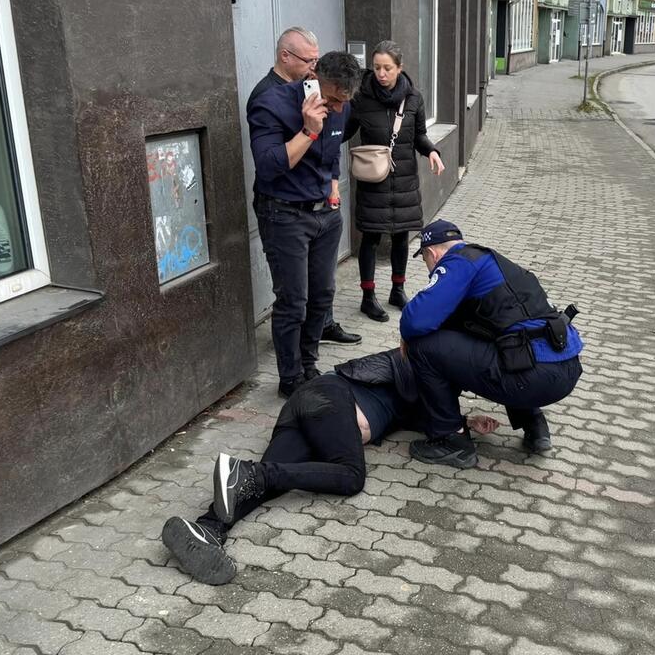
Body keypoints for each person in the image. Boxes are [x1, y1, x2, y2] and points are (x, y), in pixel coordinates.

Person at [161, 349, 501, 584]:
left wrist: (466, 423)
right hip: (331, 399)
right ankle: (253, 474)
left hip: (308, 407)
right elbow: (417, 381)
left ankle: (206, 529)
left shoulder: (421, 394)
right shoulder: (410, 363)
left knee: (265, 481)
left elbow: (428, 416)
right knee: (351, 476)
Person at [401, 220, 584, 468]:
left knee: (423, 347)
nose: (428, 268)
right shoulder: (492, 262)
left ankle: (451, 441)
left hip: (534, 378)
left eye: (425, 261)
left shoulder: (458, 262)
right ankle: (535, 426)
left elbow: (415, 320)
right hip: (567, 369)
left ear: (431, 253)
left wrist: (406, 337)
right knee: (505, 342)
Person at [247, 51, 363, 398]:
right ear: (312, 77)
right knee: (293, 300)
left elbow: (333, 151)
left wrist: (332, 184)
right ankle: (290, 377)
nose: (338, 108)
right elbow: (269, 166)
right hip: (284, 213)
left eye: (345, 101)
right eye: (331, 100)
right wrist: (310, 131)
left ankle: (308, 363)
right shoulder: (270, 104)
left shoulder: (341, 104)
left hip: (325, 215)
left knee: (323, 295)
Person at [344, 40, 445, 323]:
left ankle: (397, 290)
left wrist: (432, 152)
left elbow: (420, 136)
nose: (381, 73)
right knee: (371, 238)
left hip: (404, 182)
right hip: (372, 182)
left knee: (402, 238)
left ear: (400, 68)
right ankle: (368, 297)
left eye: (387, 68)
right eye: (376, 67)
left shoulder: (414, 98)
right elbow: (343, 132)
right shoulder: (361, 98)